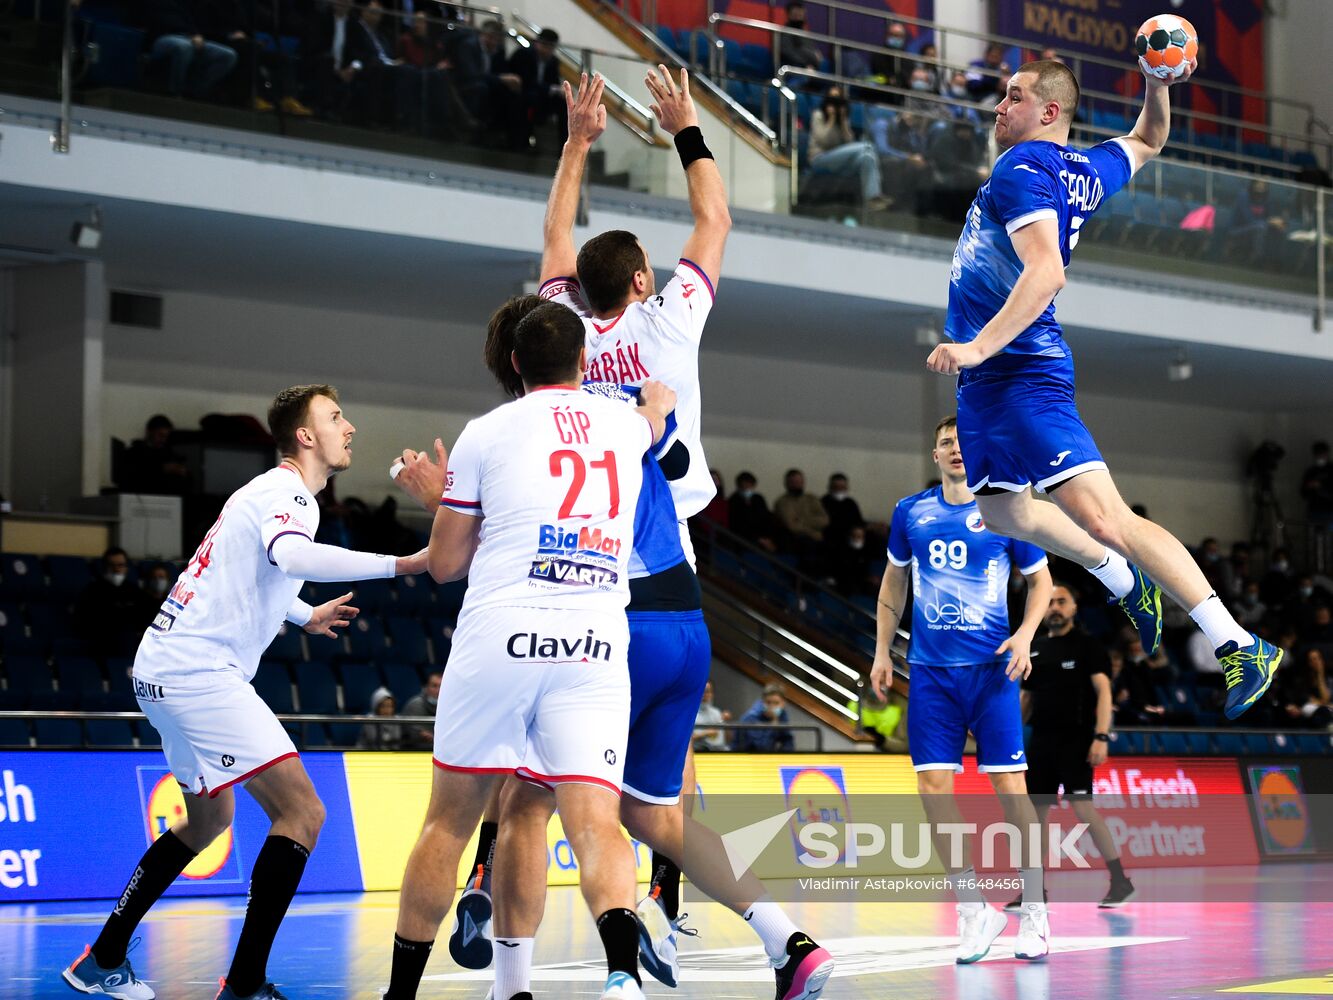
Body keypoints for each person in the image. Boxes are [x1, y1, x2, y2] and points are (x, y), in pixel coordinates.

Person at [924, 57, 1281, 721]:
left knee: (1105, 518)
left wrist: (976, 345)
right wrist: (1157, 85)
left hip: (1023, 372)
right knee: (1002, 511)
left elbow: (1045, 273)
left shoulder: (1022, 168)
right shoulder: (1083, 169)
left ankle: (1237, 643)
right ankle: (1125, 585)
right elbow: (1148, 139)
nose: (999, 107)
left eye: (1013, 97)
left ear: (1048, 112)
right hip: (987, 383)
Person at [62, 384, 428, 1000]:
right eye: (336, 417)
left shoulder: (263, 493)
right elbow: (290, 554)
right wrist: (405, 563)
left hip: (160, 668)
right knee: (304, 812)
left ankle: (102, 958)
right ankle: (245, 985)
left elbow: (262, 570)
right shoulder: (290, 495)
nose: (350, 428)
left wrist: (305, 614)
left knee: (208, 818)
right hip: (198, 673)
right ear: (305, 436)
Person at [380, 302, 675, 1000]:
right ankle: (621, 976)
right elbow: (653, 420)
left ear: (513, 364)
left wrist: (438, 494)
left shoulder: (485, 433)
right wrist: (657, 403)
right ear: (586, 363)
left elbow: (447, 564)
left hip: (503, 635)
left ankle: (399, 996)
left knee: (449, 822)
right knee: (596, 822)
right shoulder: (625, 428)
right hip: (594, 642)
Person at [870, 415, 1054, 962]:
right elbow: (893, 580)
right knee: (932, 790)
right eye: (946, 443)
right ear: (935, 454)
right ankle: (974, 910)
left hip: (991, 672)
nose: (955, 450)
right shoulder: (912, 512)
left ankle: (1037, 912)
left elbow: (1042, 581)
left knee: (1011, 794)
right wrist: (881, 650)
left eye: (962, 442)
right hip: (930, 673)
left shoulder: (1001, 510)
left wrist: (1023, 636)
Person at [1016, 582, 1135, 910]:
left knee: (1084, 810)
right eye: (1050, 602)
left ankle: (1120, 881)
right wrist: (1011, 739)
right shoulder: (1034, 647)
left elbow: (1104, 693)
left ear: (1073, 608)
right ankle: (1033, 889)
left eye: (1061, 601)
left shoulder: (1088, 646)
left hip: (1077, 740)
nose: (1054, 607)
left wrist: (1100, 737)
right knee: (1035, 816)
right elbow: (1026, 698)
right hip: (1041, 740)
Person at [807, 87, 890, 209]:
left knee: (867, 156)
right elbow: (823, 141)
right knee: (868, 146)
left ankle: (872, 197)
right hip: (820, 158)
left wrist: (843, 120)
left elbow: (849, 142)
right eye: (832, 98)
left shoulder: (844, 119)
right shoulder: (818, 115)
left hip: (840, 160)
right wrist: (831, 118)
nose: (835, 102)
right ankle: (878, 185)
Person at [74, 547, 157, 661]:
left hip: (131, 641)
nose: (116, 569)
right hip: (102, 642)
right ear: (104, 567)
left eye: (120, 565)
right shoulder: (92, 591)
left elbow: (145, 616)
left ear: (126, 568)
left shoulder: (134, 591)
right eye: (111, 565)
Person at [144, 0, 238, 100]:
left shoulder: (182, 4)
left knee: (228, 55)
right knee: (184, 47)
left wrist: (196, 34)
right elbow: (155, 20)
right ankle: (175, 92)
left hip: (189, 37)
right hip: (163, 36)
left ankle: (195, 91)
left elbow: (191, 21)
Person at [508, 27, 565, 145]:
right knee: (531, 98)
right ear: (538, 43)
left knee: (564, 104)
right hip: (521, 93)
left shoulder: (553, 61)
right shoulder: (523, 54)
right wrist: (552, 89)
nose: (547, 50)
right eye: (545, 46)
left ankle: (563, 146)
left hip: (541, 96)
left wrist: (560, 91)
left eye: (551, 47)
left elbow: (554, 82)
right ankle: (520, 141)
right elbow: (525, 81)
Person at [118, 415, 190, 495]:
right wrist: (162, 469)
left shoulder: (170, 455)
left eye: (166, 436)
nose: (163, 440)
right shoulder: (134, 453)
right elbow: (132, 476)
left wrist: (183, 473)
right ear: (149, 432)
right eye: (160, 435)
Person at [773, 468, 829, 570]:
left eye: (799, 481)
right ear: (787, 483)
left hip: (816, 539)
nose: (797, 484)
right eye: (793, 482)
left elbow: (824, 520)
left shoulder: (811, 498)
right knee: (809, 548)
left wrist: (801, 520)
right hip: (795, 540)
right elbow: (792, 526)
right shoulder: (782, 502)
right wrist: (814, 530)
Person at [735, 683, 794, 751]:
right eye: (768, 702)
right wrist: (773, 723)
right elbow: (762, 748)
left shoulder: (782, 714)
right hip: (743, 757)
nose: (772, 707)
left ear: (783, 703)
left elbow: (788, 741)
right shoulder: (751, 717)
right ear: (762, 701)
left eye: (776, 703)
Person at [728, 472, 778, 552]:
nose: (747, 488)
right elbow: (737, 524)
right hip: (745, 538)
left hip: (763, 536)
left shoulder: (758, 498)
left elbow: (766, 518)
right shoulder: (734, 501)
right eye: (744, 485)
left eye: (750, 485)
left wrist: (767, 538)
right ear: (739, 486)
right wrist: (759, 539)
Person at [400, 670, 441, 750]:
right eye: (434, 686)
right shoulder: (414, 705)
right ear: (426, 687)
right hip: (415, 752)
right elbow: (411, 733)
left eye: (441, 686)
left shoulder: (448, 707)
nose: (438, 690)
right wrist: (420, 734)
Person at [821, 472, 865, 545]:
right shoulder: (824, 502)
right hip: (833, 534)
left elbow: (859, 520)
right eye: (836, 487)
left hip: (854, 534)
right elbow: (827, 523)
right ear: (830, 487)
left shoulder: (850, 503)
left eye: (842, 487)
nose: (839, 490)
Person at [778, 2, 822, 71]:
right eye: (795, 15)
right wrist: (805, 65)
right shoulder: (784, 33)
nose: (798, 18)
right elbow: (787, 53)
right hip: (792, 69)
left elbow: (817, 56)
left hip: (811, 70)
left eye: (800, 15)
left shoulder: (806, 35)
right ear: (789, 15)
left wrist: (812, 64)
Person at [693, 679, 731, 751]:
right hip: (700, 752)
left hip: (720, 752)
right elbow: (685, 740)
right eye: (702, 691)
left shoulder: (717, 712)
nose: (704, 695)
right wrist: (706, 733)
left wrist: (727, 724)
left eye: (707, 692)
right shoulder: (690, 714)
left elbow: (728, 739)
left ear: (712, 694)